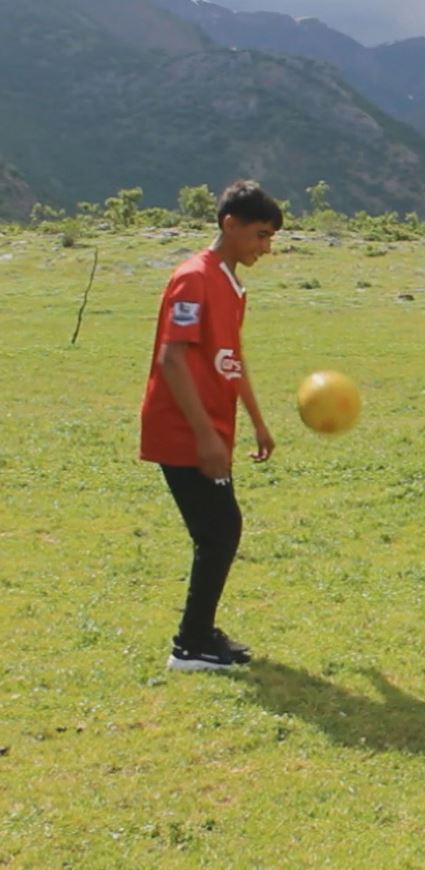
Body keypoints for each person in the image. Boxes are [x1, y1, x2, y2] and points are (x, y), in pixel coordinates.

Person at [140, 180, 282, 670]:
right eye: (260, 235)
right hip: (183, 429)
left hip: (211, 429)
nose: (266, 248)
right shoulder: (194, 278)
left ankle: (198, 635)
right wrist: (204, 436)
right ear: (229, 224)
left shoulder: (230, 284)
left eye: (270, 238)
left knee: (218, 529)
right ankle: (191, 643)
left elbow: (230, 359)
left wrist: (257, 422)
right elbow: (172, 360)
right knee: (220, 530)